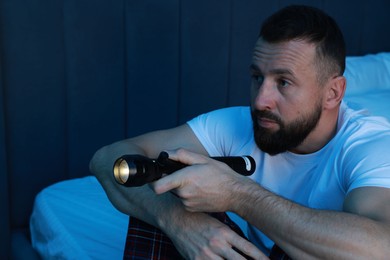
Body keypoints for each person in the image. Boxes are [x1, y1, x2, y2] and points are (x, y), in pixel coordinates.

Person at [90, 5, 390, 259]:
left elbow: (381, 246)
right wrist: (177, 222)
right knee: (163, 192)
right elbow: (107, 160)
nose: (260, 101)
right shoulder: (237, 125)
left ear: (333, 93)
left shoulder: (370, 145)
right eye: (257, 77)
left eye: (283, 82)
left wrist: (237, 194)